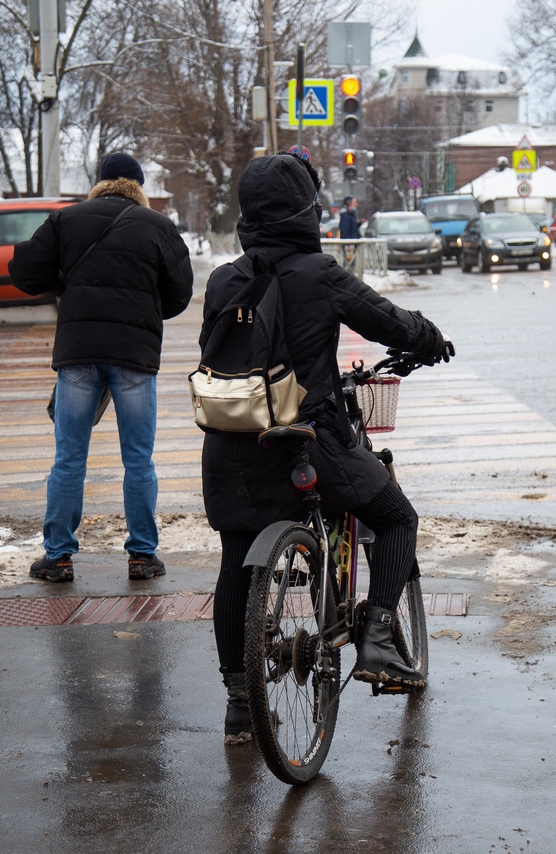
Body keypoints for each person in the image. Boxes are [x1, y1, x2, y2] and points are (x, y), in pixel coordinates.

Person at [200, 153, 454, 744]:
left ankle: (241, 706)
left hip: (233, 445)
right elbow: (389, 321)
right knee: (396, 519)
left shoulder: (222, 280)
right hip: (309, 442)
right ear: (306, 211)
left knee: (234, 564)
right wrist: (431, 338)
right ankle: (380, 640)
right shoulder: (320, 273)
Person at [9, 152, 193, 583]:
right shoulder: (159, 227)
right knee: (138, 460)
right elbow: (180, 292)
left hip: (78, 353)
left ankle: (57, 558)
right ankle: (142, 556)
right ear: (139, 186)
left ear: (100, 182)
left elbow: (24, 272)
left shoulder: (67, 219)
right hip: (134, 355)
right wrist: (143, 309)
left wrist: (68, 283)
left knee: (69, 459)